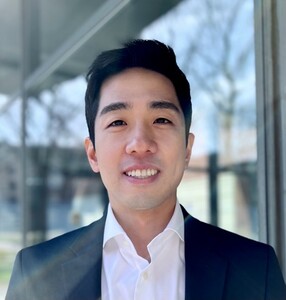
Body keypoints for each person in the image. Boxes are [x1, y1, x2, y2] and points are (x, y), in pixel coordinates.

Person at [5, 39, 286, 300]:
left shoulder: (254, 269)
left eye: (161, 119)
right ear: (93, 154)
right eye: (118, 122)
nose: (140, 144)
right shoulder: (35, 275)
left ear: (187, 149)